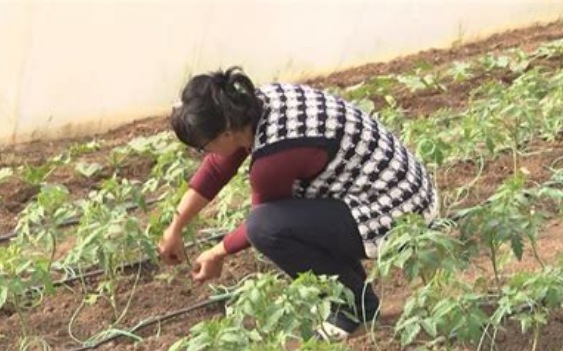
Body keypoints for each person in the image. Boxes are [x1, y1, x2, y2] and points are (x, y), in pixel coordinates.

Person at [157, 66, 438, 341]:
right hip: (397, 184)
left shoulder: (273, 159)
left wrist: (217, 252)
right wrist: (175, 227)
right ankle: (354, 292)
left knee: (266, 228)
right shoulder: (251, 106)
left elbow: (265, 222)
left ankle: (352, 308)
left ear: (225, 133)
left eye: (201, 146)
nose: (203, 153)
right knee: (283, 222)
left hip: (397, 209)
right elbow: (217, 169)